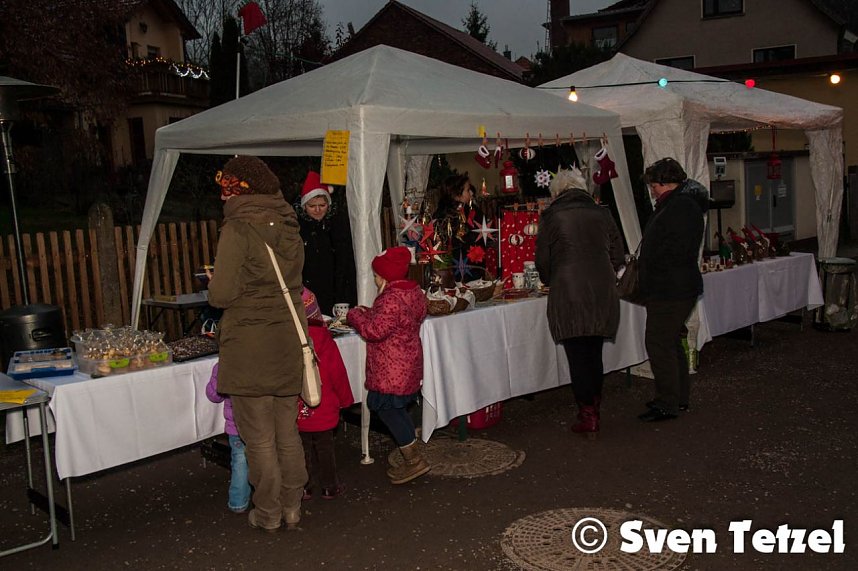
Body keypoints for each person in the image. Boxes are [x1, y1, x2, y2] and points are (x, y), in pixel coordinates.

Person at [207, 155, 308, 532]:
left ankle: (268, 512)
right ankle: (293, 505)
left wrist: (217, 279)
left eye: (226, 190)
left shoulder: (237, 229)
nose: (222, 198)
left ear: (239, 191)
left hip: (249, 345)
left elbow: (221, 294)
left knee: (258, 438)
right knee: (287, 431)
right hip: (286, 340)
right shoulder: (289, 224)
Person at [535, 167, 624, 438]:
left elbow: (543, 260)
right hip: (601, 289)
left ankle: (588, 413)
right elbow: (618, 253)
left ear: (558, 192)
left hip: (569, 290)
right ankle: (592, 407)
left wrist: (551, 278)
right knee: (593, 352)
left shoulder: (551, 215)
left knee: (577, 354)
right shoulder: (603, 212)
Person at [346, 246, 429, 484]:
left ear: (384, 276)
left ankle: (413, 460)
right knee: (396, 407)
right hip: (408, 361)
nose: (374, 278)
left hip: (391, 367)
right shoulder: (412, 291)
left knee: (385, 407)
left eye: (376, 275)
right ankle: (411, 453)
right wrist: (371, 311)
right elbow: (399, 319)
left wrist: (355, 315)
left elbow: (374, 331)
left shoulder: (390, 298)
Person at [637, 157, 708, 422]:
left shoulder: (679, 208)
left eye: (654, 185)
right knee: (670, 342)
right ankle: (677, 397)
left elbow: (673, 249)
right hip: (675, 286)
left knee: (658, 343)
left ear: (665, 183)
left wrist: (650, 264)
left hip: (670, 287)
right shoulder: (681, 205)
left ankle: (667, 402)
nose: (652, 190)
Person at [297, 287, 354, 501]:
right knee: (325, 449)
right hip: (325, 406)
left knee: (301, 450)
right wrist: (345, 400)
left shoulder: (288, 340)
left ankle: (304, 487)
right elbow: (338, 372)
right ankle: (330, 486)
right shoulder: (325, 339)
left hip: (298, 407)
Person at [296, 170, 358, 315]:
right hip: (307, 290)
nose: (317, 210)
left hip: (334, 291)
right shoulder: (297, 229)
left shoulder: (338, 226)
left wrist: (343, 296)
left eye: (322, 205)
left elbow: (345, 263)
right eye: (312, 206)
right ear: (304, 206)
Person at [205, 362, 251, 513]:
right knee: (264, 456)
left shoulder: (224, 364)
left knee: (239, 462)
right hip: (259, 423)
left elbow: (214, 395)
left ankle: (238, 502)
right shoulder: (257, 358)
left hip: (236, 426)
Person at [432, 174, 485, 282]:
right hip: (454, 268)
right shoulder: (446, 214)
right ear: (456, 194)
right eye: (467, 190)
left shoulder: (471, 210)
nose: (471, 193)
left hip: (473, 267)